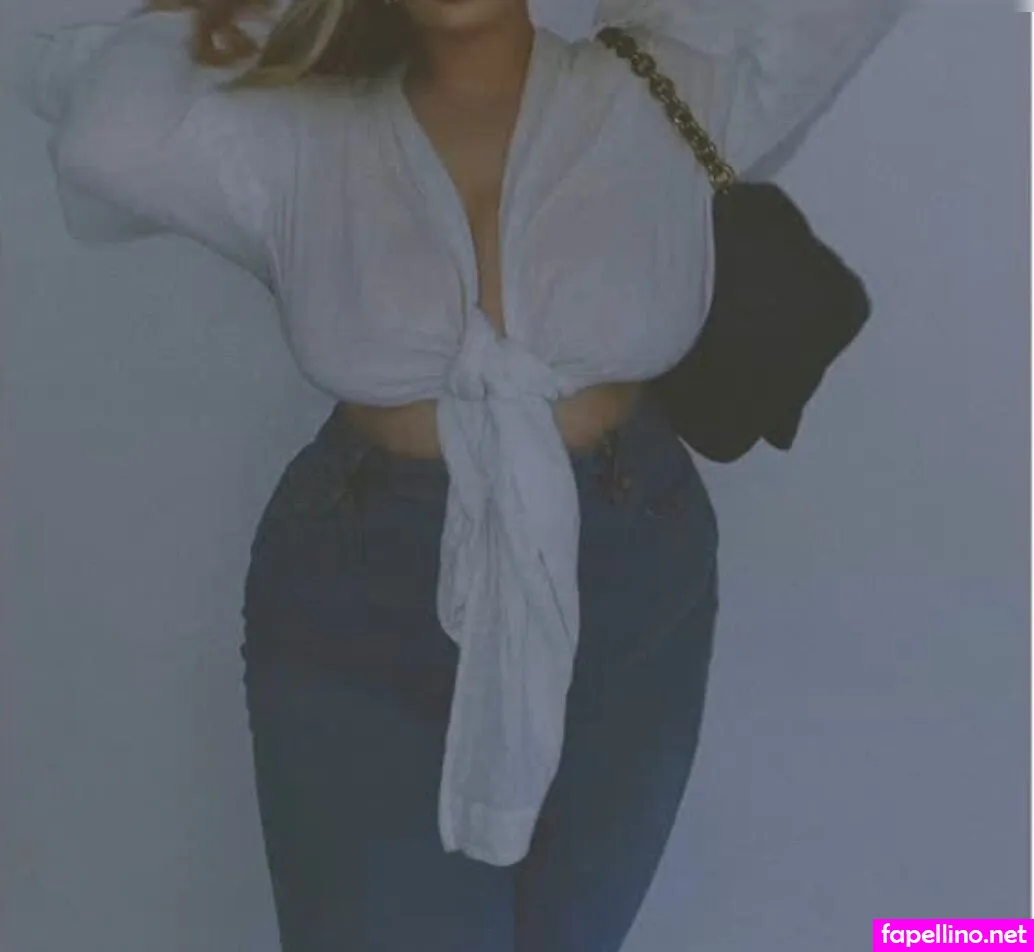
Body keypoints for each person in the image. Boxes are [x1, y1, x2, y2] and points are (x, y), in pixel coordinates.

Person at [17, 0, 904, 948]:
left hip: (633, 585)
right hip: (353, 597)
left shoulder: (672, 78)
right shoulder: (297, 133)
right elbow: (109, 132)